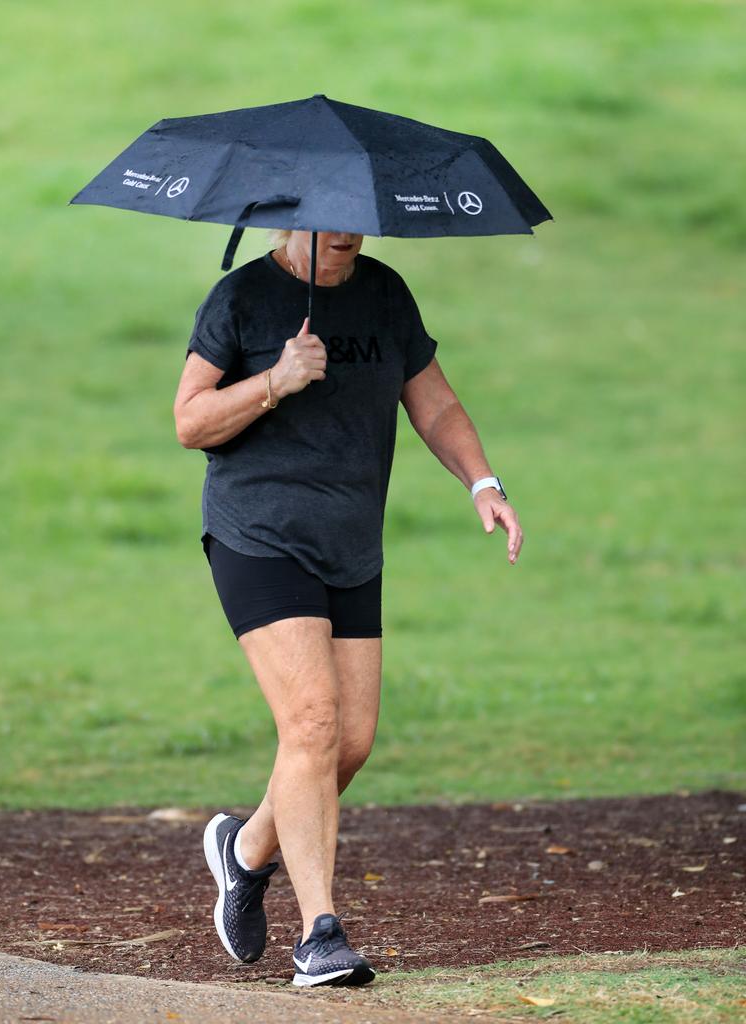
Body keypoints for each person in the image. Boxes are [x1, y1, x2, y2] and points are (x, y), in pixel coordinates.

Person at [173, 229, 523, 987]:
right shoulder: (242, 297)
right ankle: (319, 936)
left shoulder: (385, 294)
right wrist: (276, 379)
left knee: (349, 743)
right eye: (328, 214)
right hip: (257, 534)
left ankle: (244, 852)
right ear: (290, 218)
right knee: (312, 723)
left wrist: (483, 484)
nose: (346, 228)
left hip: (352, 544)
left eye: (358, 213)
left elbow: (434, 405)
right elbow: (190, 421)